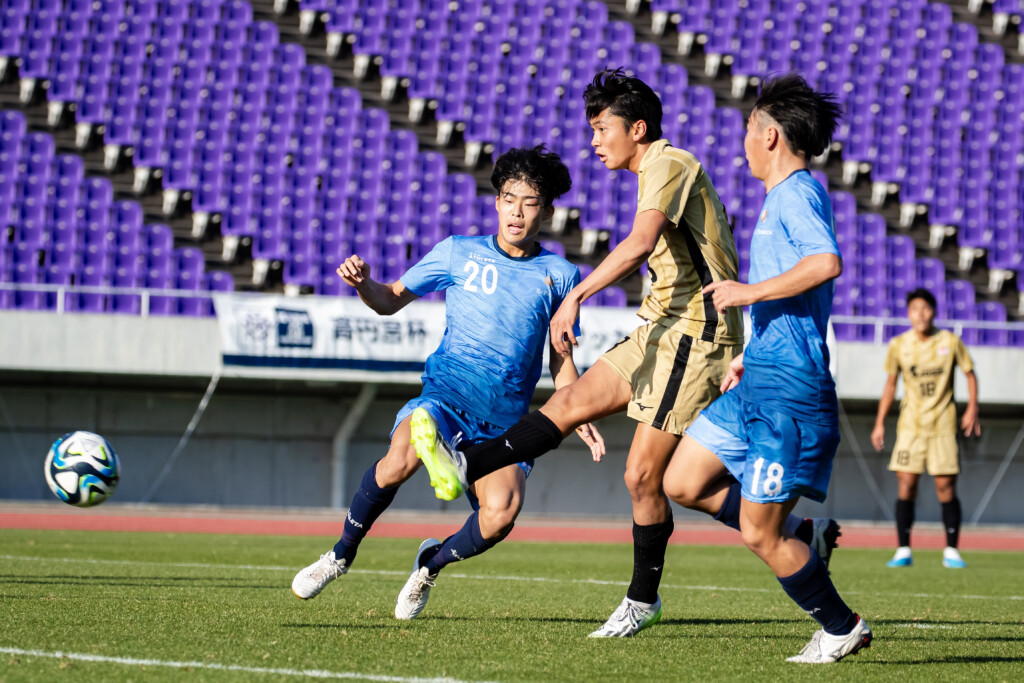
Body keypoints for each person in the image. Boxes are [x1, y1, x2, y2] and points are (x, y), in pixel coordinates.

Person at [414, 69, 839, 638]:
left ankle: (643, 599)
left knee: (644, 478)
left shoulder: (669, 162)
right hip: (657, 328)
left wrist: (576, 297)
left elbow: (641, 244)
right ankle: (471, 460)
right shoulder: (655, 170)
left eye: (601, 127)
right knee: (572, 406)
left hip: (695, 334)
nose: (594, 140)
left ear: (636, 128)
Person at [290, 145, 604, 620]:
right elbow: (390, 299)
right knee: (399, 460)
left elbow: (560, 359)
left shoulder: (560, 276)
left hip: (503, 422)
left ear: (548, 210)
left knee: (499, 516)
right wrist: (363, 286)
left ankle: (428, 566)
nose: (517, 211)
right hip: (447, 395)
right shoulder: (459, 252)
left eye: (530, 201)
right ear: (496, 202)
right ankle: (339, 555)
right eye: (508, 198)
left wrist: (576, 408)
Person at [660, 74, 872, 664]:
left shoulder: (798, 193)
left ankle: (840, 625)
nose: (742, 145)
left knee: (758, 532)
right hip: (759, 378)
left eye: (748, 131)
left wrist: (747, 293)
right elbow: (795, 293)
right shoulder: (781, 198)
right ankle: (806, 537)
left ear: (771, 135)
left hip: (792, 393)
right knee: (682, 482)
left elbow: (826, 262)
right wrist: (749, 356)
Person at [871, 288, 980, 569]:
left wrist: (972, 408)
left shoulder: (951, 341)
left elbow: (969, 374)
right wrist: (880, 422)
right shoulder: (899, 344)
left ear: (934, 311)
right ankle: (903, 549)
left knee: (946, 487)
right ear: (908, 314)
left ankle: (952, 551)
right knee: (906, 485)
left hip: (943, 425)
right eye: (914, 309)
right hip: (911, 427)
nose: (920, 314)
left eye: (925, 308)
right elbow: (890, 385)